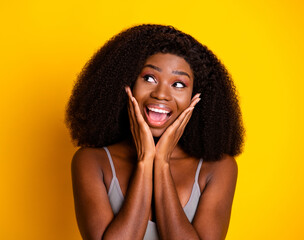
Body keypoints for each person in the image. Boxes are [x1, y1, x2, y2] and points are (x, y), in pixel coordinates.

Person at [66, 24, 244, 240]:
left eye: (178, 84)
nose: (161, 94)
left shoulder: (218, 168)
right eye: (149, 78)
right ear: (127, 82)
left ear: (195, 97)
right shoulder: (92, 161)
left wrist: (161, 163)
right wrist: (144, 161)